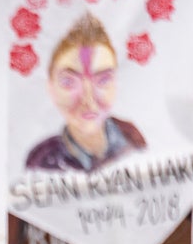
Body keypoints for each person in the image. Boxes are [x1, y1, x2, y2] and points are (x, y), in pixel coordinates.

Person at [23, 14, 149, 174]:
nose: (88, 100)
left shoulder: (133, 140)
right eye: (69, 83)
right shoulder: (42, 161)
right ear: (50, 88)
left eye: (103, 81)